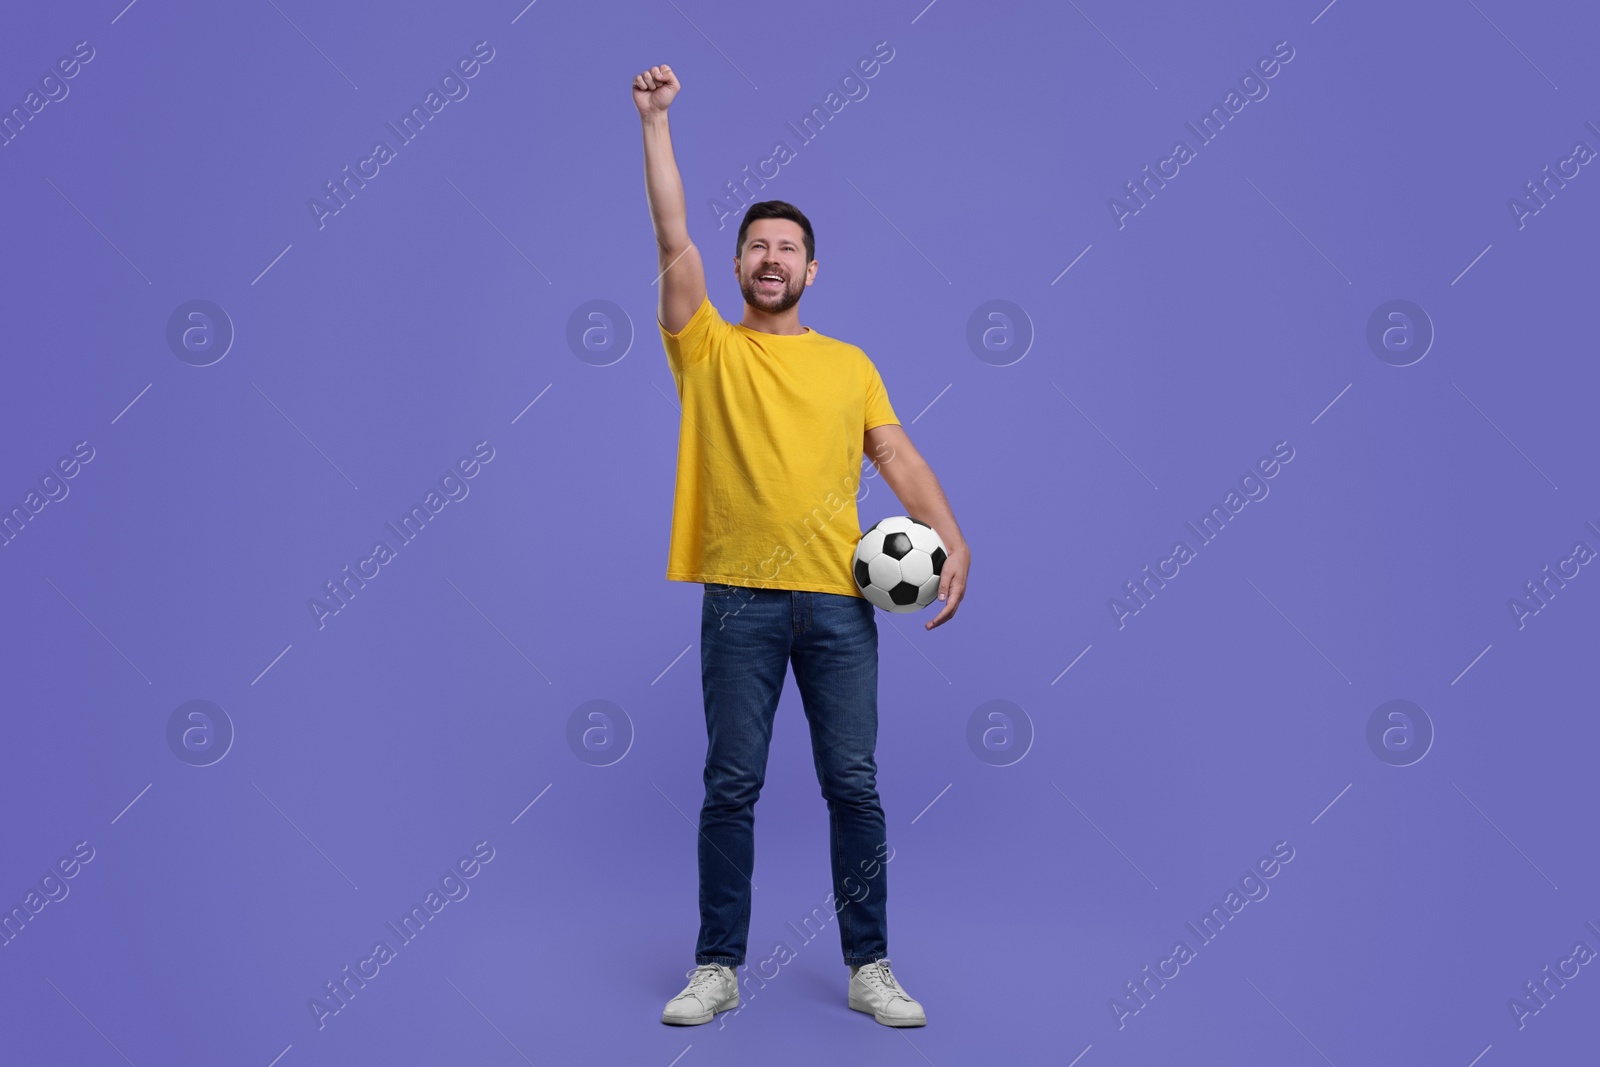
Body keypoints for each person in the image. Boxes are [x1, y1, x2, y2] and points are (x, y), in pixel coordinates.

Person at [633, 63, 970, 1029]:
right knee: (730, 783)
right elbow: (669, 233)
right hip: (737, 597)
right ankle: (717, 965)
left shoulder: (849, 362)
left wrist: (951, 534)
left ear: (812, 271)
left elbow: (895, 452)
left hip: (837, 600)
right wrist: (656, 124)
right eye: (756, 247)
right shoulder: (706, 345)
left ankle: (870, 964)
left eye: (787, 248)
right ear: (737, 269)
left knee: (851, 782)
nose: (771, 258)